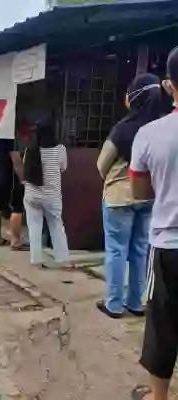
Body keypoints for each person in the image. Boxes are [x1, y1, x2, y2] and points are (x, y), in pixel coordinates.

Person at [129, 47, 178, 400]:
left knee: (163, 326)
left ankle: (158, 398)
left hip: (168, 247)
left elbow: (140, 191)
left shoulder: (149, 134)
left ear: (169, 85)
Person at [96, 73, 163, 319]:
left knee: (116, 250)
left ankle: (114, 305)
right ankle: (136, 302)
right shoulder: (161, 127)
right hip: (149, 197)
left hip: (119, 197)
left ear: (135, 97)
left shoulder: (123, 129)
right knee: (140, 250)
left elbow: (101, 165)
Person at [23, 111, 73, 269]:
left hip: (32, 194)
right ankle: (63, 260)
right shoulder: (60, 149)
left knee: (34, 226)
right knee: (56, 225)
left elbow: (26, 168)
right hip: (52, 195)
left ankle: (36, 260)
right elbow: (63, 168)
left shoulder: (30, 149)